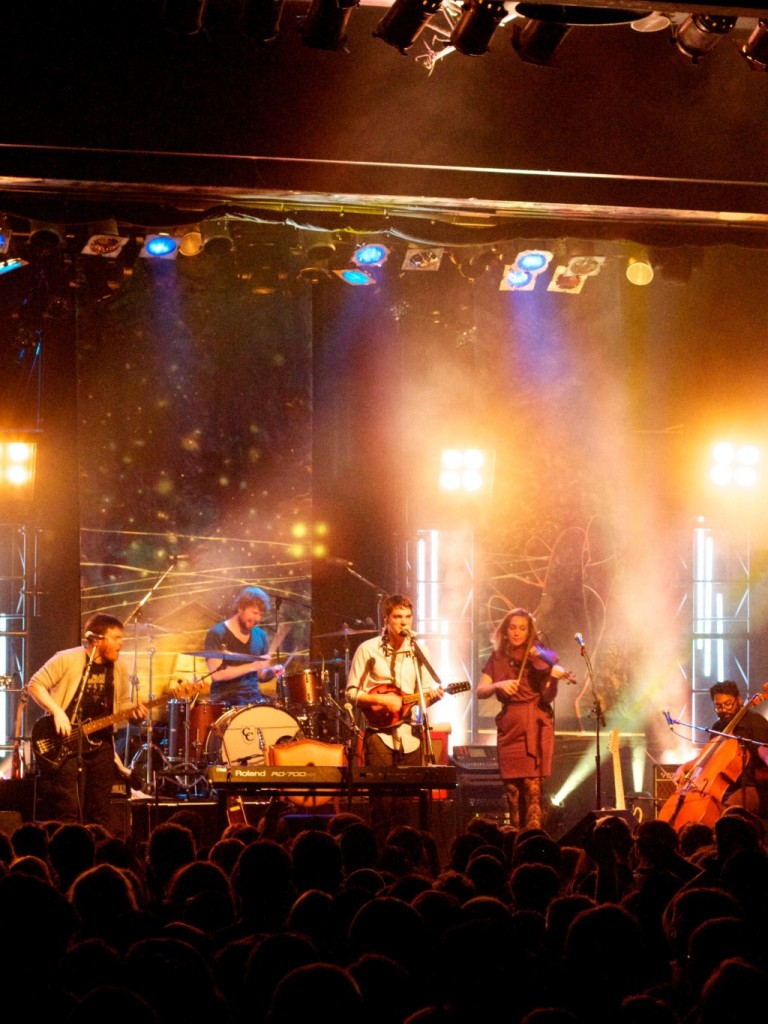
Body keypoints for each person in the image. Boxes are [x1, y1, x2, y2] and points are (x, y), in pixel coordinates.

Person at [26, 613, 147, 827]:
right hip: (66, 741)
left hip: (102, 745)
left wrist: (134, 714)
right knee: (68, 810)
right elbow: (35, 684)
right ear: (97, 640)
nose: (121, 643)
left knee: (100, 812)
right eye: (116, 637)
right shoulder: (67, 658)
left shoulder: (119, 667)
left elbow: (122, 703)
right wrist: (57, 712)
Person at [345, 593, 444, 843]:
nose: (404, 623)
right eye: (398, 617)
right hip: (379, 735)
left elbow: (423, 695)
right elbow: (351, 693)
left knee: (405, 806)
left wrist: (433, 697)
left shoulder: (419, 650)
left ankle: (406, 859)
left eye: (408, 617)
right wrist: (381, 700)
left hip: (411, 734)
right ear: (386, 620)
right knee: (382, 804)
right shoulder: (367, 650)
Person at [476, 608, 568, 831]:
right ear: (505, 631)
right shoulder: (497, 658)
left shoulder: (537, 658)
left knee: (533, 788)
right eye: (512, 627)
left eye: (522, 628)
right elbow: (481, 690)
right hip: (509, 726)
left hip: (535, 722)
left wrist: (554, 680)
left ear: (529, 632)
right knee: (512, 794)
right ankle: (515, 843)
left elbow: (547, 696)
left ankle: (533, 841)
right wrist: (499, 685)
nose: (517, 632)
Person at [675, 680, 768, 817]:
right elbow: (706, 758)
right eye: (718, 706)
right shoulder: (718, 728)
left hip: (753, 787)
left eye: (728, 704)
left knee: (727, 810)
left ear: (739, 700)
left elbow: (762, 748)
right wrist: (683, 768)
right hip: (724, 789)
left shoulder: (754, 721)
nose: (724, 709)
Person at [204, 586, 285, 707]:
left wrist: (271, 672)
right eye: (254, 612)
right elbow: (217, 675)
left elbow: (259, 675)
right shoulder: (217, 633)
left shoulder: (260, 635)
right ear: (240, 608)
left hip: (253, 698)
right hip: (226, 700)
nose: (257, 618)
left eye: (260, 614)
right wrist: (253, 666)